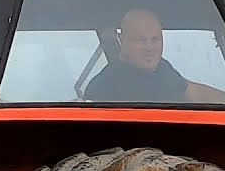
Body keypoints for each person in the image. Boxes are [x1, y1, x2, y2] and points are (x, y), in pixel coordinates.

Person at [85, 8, 225, 104]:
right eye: (141, 40)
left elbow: (194, 93)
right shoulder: (104, 85)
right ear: (122, 39)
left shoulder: (162, 70)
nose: (149, 48)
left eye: (155, 40)